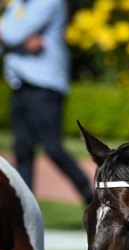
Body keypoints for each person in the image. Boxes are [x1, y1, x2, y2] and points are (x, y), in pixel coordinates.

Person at [0, 0, 93, 205]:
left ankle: (91, 196)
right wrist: (17, 39)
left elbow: (10, 34)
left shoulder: (49, 2)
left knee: (53, 148)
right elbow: (8, 36)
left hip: (45, 86)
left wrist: (13, 39)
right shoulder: (18, 4)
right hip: (20, 84)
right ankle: (24, 208)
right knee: (22, 149)